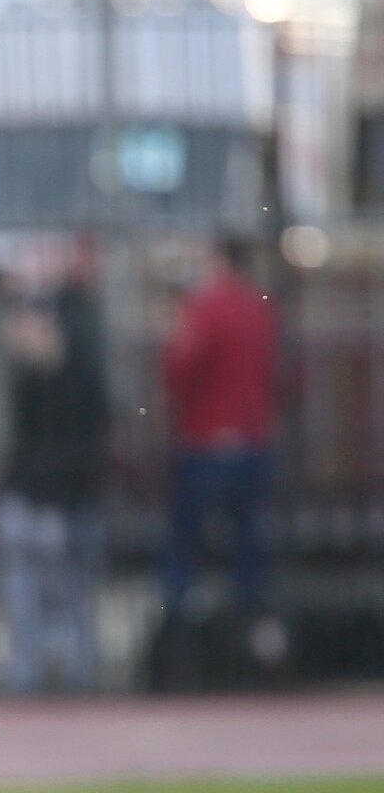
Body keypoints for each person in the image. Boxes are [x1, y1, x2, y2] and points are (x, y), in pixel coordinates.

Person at [0, 256, 110, 694]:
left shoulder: (80, 378)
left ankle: (77, 675)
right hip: (30, 499)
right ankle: (28, 676)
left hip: (70, 501)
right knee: (24, 587)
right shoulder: (21, 379)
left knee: (72, 594)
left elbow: (87, 444)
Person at [162, 239, 281, 616]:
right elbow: (287, 372)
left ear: (219, 261)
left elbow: (182, 367)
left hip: (206, 441)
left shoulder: (204, 307)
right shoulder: (263, 308)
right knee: (248, 547)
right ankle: (251, 633)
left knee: (185, 544)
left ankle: (180, 630)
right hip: (254, 442)